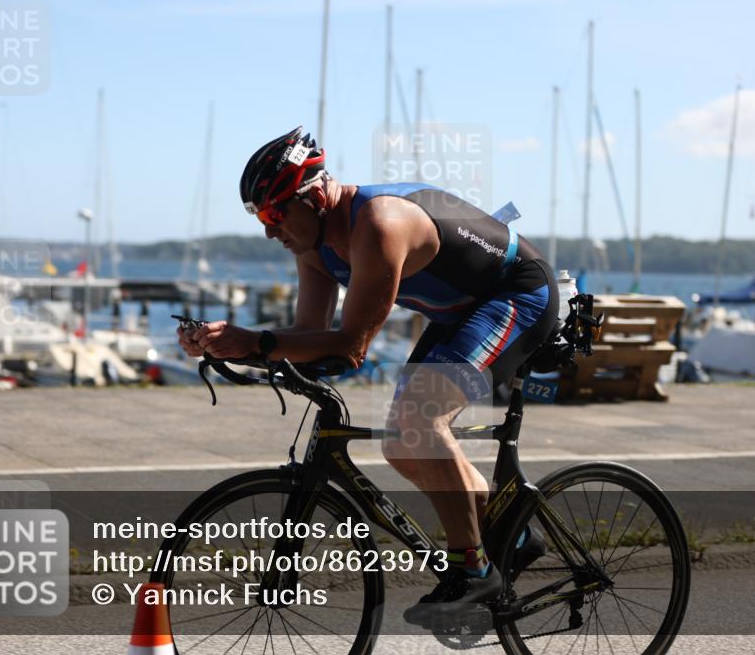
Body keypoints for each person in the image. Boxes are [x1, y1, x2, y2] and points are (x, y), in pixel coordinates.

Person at [178, 126, 557, 624]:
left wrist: (257, 340)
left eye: (275, 214)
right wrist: (229, 345)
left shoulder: (379, 224)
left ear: (314, 196)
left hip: (517, 294)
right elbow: (308, 339)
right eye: (260, 219)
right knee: (399, 444)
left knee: (420, 421)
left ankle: (473, 569)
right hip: (459, 312)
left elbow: (349, 346)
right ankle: (512, 531)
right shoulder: (312, 248)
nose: (271, 231)